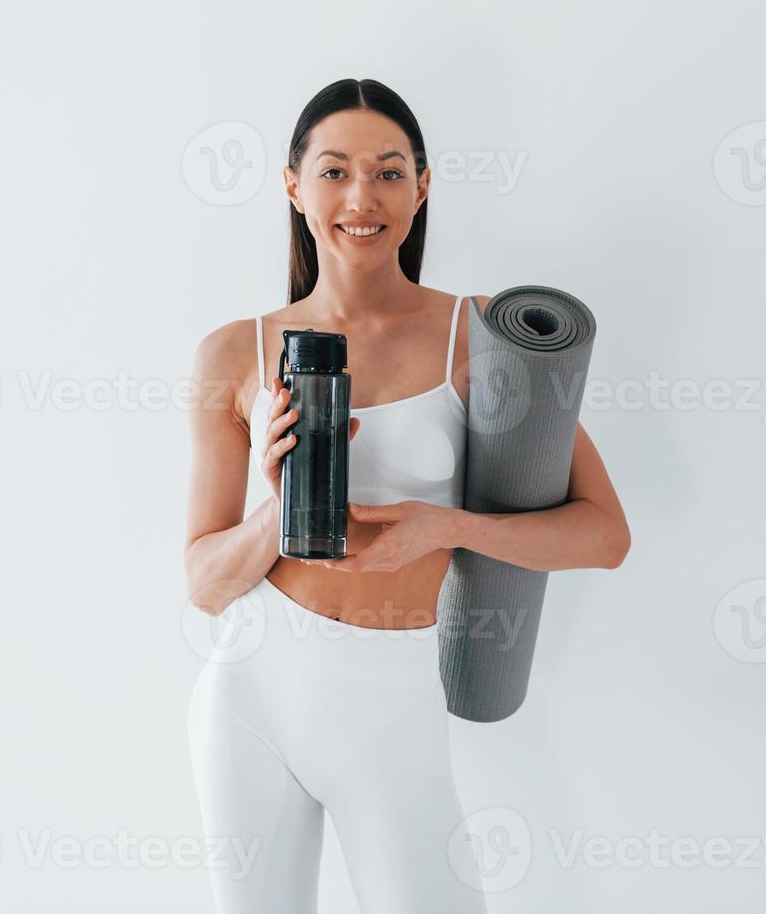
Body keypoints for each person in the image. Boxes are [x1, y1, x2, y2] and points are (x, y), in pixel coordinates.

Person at [182, 78, 630, 913]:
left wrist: (445, 528)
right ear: (292, 186)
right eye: (335, 171)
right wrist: (280, 509)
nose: (362, 197)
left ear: (423, 188)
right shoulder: (234, 355)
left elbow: (604, 536)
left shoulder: (481, 337)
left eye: (389, 172)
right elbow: (205, 582)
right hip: (253, 693)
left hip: (396, 703)